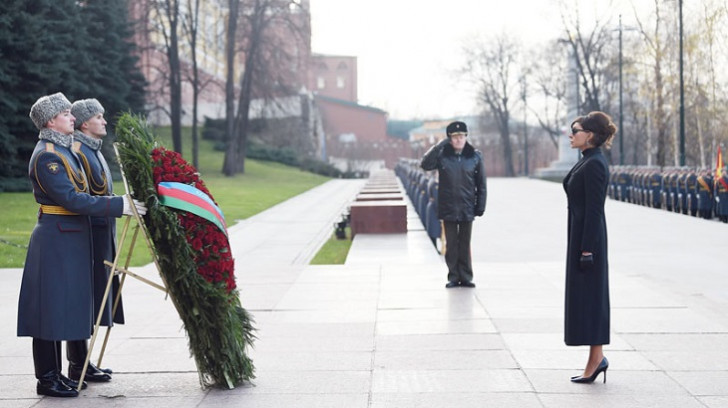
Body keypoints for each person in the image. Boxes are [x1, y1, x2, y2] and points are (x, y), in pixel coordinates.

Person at [17, 92, 145, 398]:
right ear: (51, 120)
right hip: (55, 239)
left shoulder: (65, 150)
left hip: (71, 238)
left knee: (68, 306)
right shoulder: (48, 155)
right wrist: (118, 205)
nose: (72, 117)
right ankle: (47, 378)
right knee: (49, 310)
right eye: (66, 113)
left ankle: (68, 369)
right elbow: (72, 199)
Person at [67, 98, 122, 383]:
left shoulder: (92, 150)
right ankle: (77, 364)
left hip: (102, 230)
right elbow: (85, 198)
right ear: (85, 122)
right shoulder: (78, 150)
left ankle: (83, 362)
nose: (104, 121)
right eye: (99, 117)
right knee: (84, 298)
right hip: (89, 233)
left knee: (93, 298)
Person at [562, 111, 617, 384]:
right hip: (581, 238)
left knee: (593, 299)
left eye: (576, 129)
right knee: (587, 298)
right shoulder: (587, 160)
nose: (571, 134)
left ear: (591, 135)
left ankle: (596, 360)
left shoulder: (595, 164)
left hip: (588, 241)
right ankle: (596, 358)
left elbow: (595, 210)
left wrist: (586, 249)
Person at [420, 121, 487, 288]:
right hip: (448, 206)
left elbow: (482, 184)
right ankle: (453, 276)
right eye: (454, 137)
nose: (458, 140)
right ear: (449, 139)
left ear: (466, 137)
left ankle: (466, 276)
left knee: (464, 243)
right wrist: (439, 146)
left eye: (461, 136)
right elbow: (425, 164)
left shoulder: (475, 157)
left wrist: (480, 205)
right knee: (451, 244)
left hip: (466, 206)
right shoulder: (443, 156)